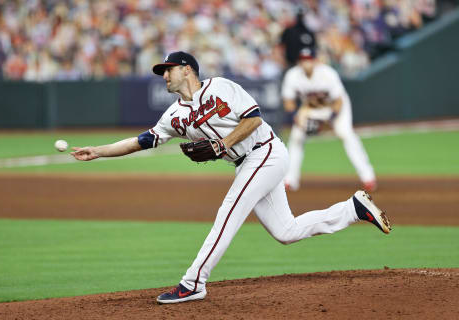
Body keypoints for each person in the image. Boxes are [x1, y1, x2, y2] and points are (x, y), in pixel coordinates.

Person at [71, 51, 391, 304]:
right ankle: (352, 210)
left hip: (266, 151)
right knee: (286, 231)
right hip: (248, 162)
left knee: (228, 212)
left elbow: (254, 120)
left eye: (168, 69)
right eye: (162, 71)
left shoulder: (220, 87)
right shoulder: (174, 115)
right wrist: (98, 151)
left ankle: (193, 282)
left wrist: (222, 144)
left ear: (187, 70)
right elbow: (141, 141)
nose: (164, 75)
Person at [282, 47, 377, 192]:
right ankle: (290, 180)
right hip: (312, 109)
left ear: (315, 60)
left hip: (336, 108)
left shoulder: (327, 73)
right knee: (296, 137)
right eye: (303, 60)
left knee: (346, 134)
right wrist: (296, 117)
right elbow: (288, 102)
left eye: (309, 60)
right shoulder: (292, 75)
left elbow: (338, 101)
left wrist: (328, 121)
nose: (306, 63)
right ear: (299, 62)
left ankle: (368, 177)